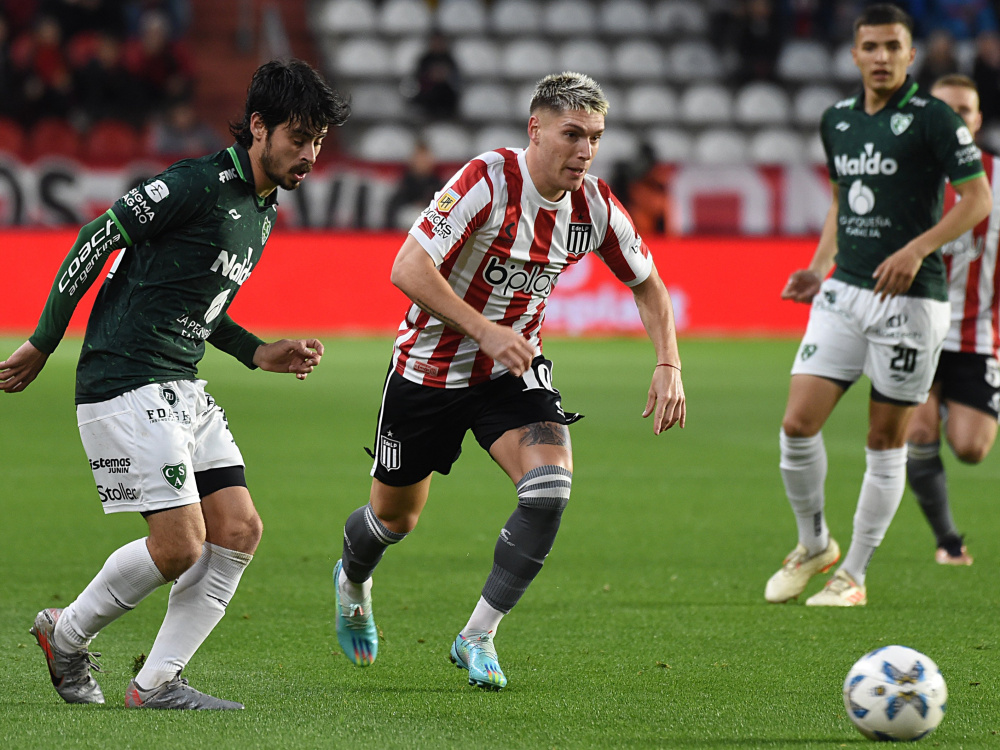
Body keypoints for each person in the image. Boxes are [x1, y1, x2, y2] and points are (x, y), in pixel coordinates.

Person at [0, 59, 349, 709]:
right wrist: (43, 342)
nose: (309, 155)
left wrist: (257, 352)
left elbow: (198, 305)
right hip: (125, 379)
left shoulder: (263, 209)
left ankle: (156, 683)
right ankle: (65, 634)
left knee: (238, 530)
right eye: (299, 138)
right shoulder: (196, 183)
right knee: (181, 544)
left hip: (179, 385)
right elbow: (97, 235)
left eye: (319, 142)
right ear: (258, 127)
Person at [333, 72, 686, 690]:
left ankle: (477, 635)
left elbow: (649, 286)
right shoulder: (488, 180)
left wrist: (669, 364)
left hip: (511, 372)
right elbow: (407, 267)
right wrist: (484, 329)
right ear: (535, 129)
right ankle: (352, 580)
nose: (585, 150)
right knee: (393, 521)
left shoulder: (596, 206)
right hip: (429, 371)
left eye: (595, 137)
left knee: (549, 490)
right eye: (572, 134)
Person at [765, 4, 992, 608]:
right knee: (796, 424)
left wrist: (916, 250)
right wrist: (818, 267)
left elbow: (977, 200)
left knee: (884, 440)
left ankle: (854, 575)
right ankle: (814, 543)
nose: (882, 57)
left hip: (910, 303)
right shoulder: (837, 120)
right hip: (844, 291)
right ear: (855, 54)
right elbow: (842, 201)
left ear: (911, 55)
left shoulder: (935, 118)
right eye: (871, 46)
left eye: (893, 46)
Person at [905, 73, 1000, 566]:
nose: (955, 118)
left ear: (977, 120)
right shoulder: (906, 176)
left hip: (977, 332)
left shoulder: (998, 179)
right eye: (945, 108)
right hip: (912, 329)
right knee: (919, 433)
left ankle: (944, 403)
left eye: (964, 109)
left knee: (971, 448)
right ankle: (948, 541)